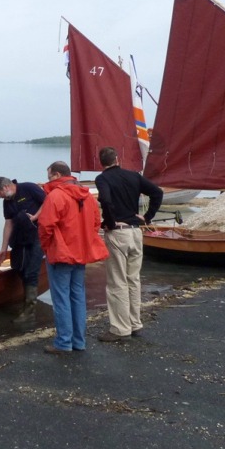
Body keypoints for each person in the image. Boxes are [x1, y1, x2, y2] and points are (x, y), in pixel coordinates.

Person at [36, 161, 109, 354]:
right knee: (77, 296)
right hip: (80, 253)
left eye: (50, 175)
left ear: (57, 175)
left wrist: (47, 247)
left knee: (61, 298)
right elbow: (96, 222)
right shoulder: (87, 196)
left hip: (61, 253)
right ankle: (79, 341)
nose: (48, 179)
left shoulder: (56, 195)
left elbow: (45, 226)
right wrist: (84, 242)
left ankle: (64, 342)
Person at [95, 146, 163, 343]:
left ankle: (120, 328)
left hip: (119, 233)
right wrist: (147, 218)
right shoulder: (133, 176)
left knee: (117, 282)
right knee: (133, 280)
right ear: (117, 159)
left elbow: (106, 200)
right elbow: (157, 193)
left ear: (102, 163)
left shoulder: (103, 179)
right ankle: (135, 324)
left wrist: (109, 222)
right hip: (136, 232)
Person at [0, 176, 45, 323]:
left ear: (6, 187)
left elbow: (48, 202)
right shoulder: (7, 202)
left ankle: (29, 311)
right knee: (19, 268)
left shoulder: (29, 188)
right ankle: (26, 303)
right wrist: (3, 248)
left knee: (32, 272)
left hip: (37, 237)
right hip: (19, 239)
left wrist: (35, 217)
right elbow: (8, 223)